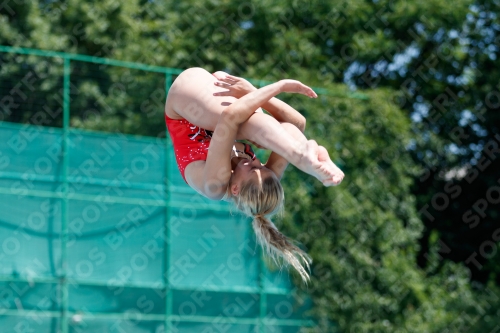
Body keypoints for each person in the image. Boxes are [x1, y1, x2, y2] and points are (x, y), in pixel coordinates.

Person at [164, 67, 344, 281]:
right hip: (217, 100)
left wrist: (278, 87)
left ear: (236, 188)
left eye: (253, 168)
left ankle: (302, 156)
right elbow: (295, 124)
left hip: (186, 104)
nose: (254, 161)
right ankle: (304, 155)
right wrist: (250, 91)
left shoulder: (215, 184)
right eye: (261, 165)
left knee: (245, 123)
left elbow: (230, 118)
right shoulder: (264, 178)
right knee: (273, 128)